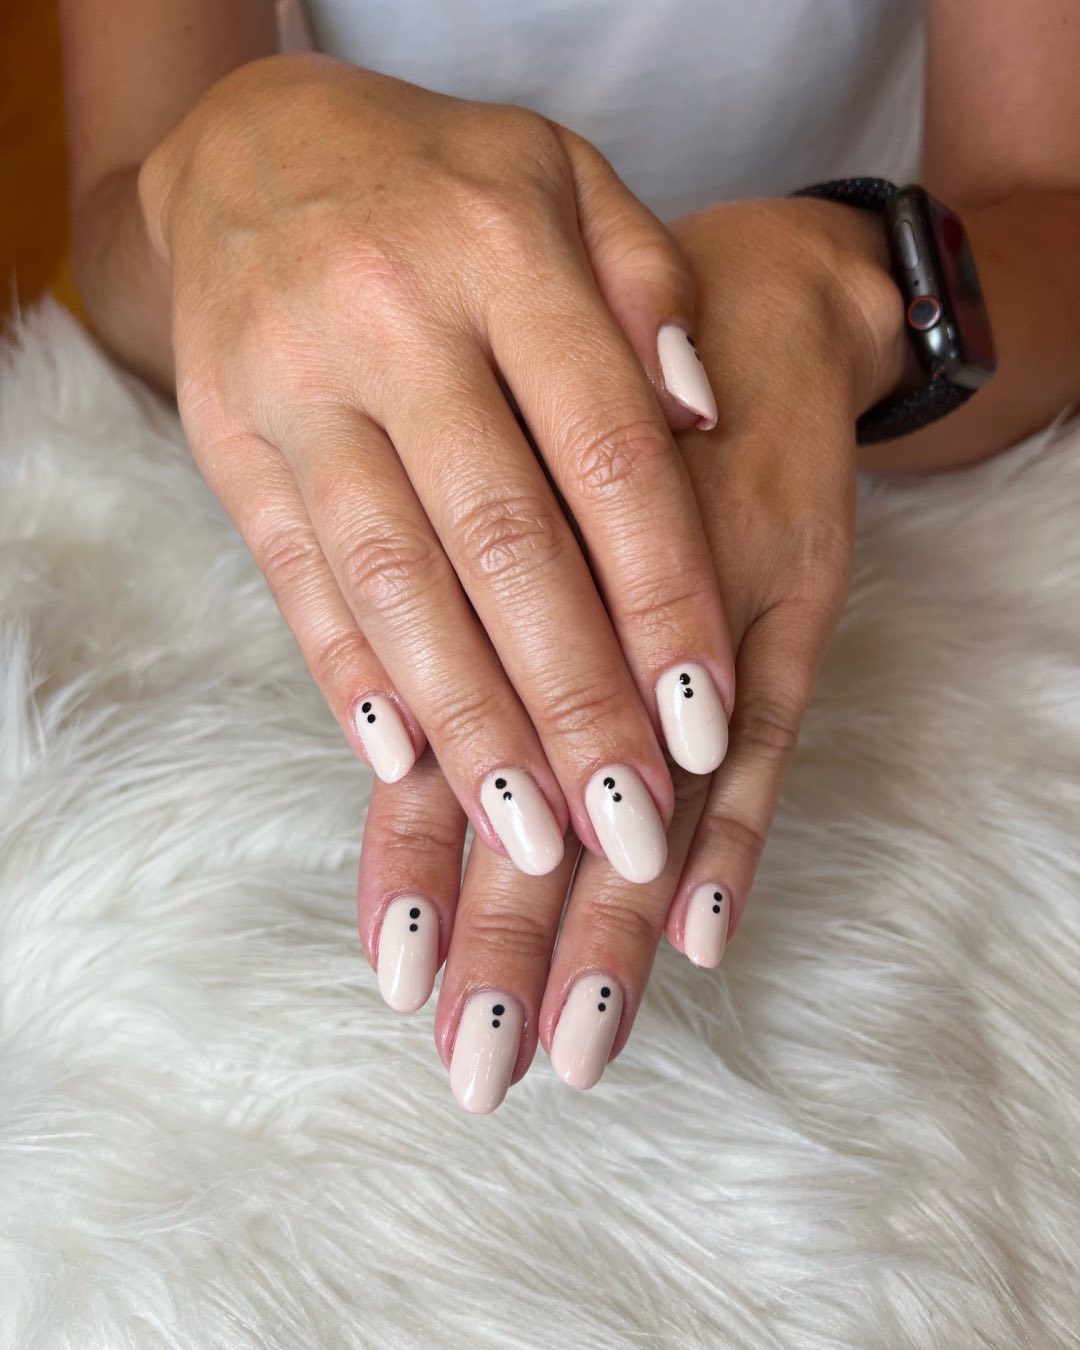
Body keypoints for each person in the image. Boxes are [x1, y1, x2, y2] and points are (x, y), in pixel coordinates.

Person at [60, 0, 1080, 1112]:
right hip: (368, 376)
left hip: (841, 431)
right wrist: (210, 180)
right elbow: (117, 237)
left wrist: (841, 288)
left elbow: (1054, 218)